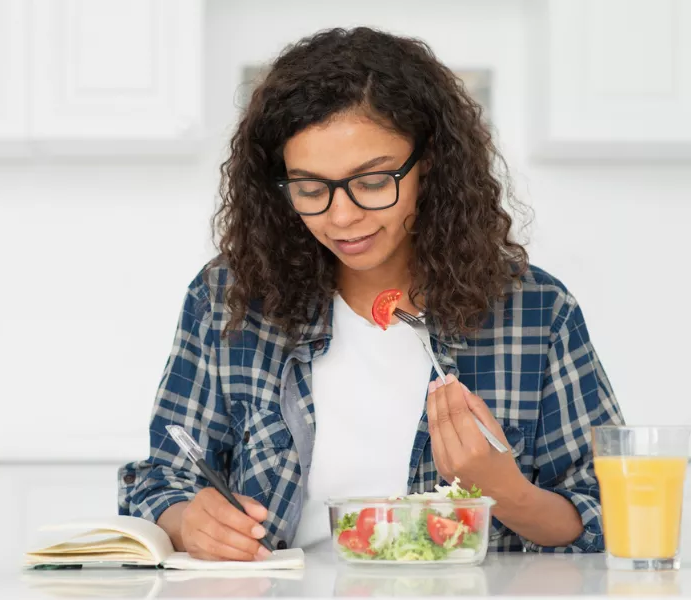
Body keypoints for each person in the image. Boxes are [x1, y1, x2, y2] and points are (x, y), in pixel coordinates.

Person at [117, 27, 623, 561]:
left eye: (375, 182)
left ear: (431, 165)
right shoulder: (229, 298)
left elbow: (609, 515)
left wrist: (506, 491)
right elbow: (159, 482)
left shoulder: (536, 312)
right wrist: (188, 521)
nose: (342, 216)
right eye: (311, 189)